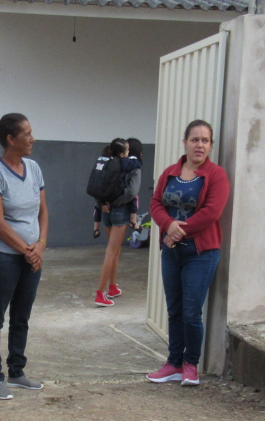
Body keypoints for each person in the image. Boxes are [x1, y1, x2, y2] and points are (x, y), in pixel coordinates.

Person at [146, 120, 230, 386]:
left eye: (205, 141)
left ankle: (190, 366)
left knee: (192, 312)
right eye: (195, 139)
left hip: (201, 252)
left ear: (211, 145)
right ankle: (173, 363)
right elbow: (155, 202)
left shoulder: (217, 175)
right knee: (174, 311)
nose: (200, 145)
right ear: (185, 142)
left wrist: (177, 230)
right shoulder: (170, 173)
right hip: (171, 252)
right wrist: (167, 225)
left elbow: (212, 213)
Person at [0, 113, 50, 400]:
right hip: (3, 259)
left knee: (22, 317)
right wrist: (27, 251)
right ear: (11, 139)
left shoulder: (33, 168)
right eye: (27, 134)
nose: (33, 139)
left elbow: (43, 211)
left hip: (32, 256)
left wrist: (41, 245)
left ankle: (17, 372)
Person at [94, 138, 143, 307]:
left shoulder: (110, 162)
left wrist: (104, 204)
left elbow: (98, 185)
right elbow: (132, 192)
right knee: (111, 251)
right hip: (120, 211)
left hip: (105, 210)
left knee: (114, 250)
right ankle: (100, 293)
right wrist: (116, 204)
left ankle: (113, 287)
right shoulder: (133, 167)